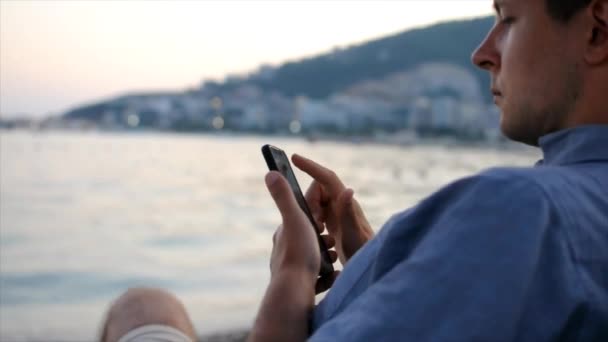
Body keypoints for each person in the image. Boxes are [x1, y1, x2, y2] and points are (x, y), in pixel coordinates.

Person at [101, 0, 608, 340]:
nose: (483, 53)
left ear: (596, 30)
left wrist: (293, 273)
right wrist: (376, 264)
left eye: (509, 19)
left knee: (142, 307)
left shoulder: (520, 209)